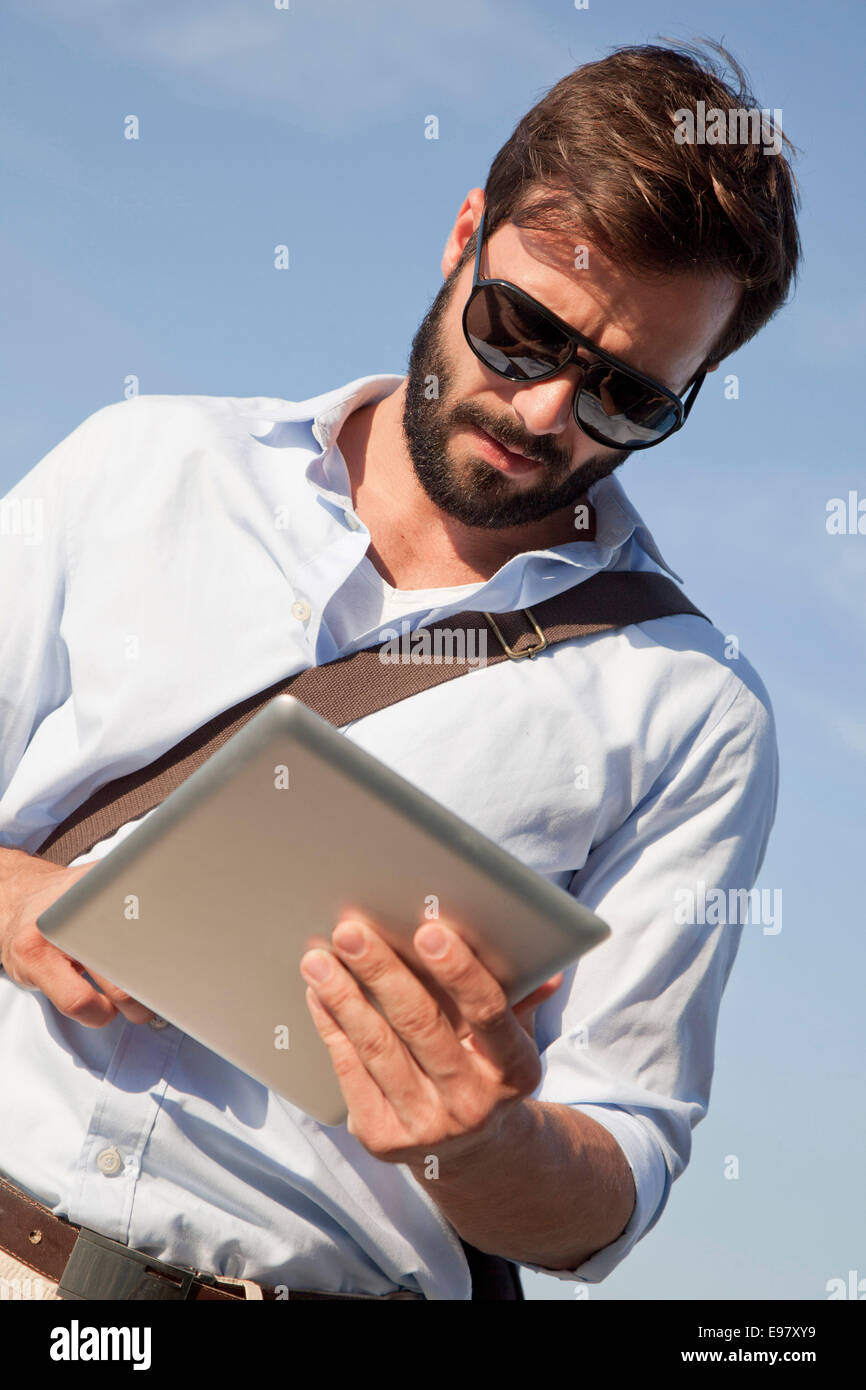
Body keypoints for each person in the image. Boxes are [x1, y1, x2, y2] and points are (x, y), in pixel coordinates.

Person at [0, 39, 800, 1301]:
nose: (547, 416)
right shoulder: (140, 465)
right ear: (464, 233)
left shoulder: (692, 711)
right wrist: (16, 904)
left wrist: (486, 1143)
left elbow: (611, 1182)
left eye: (628, 401)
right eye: (523, 332)